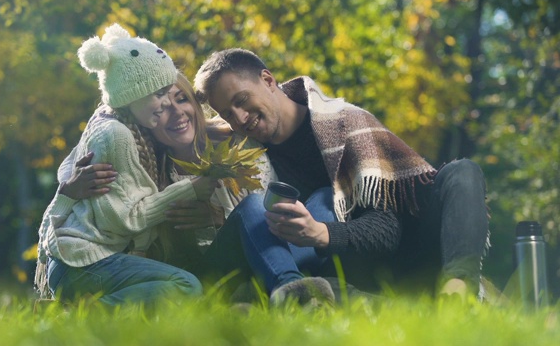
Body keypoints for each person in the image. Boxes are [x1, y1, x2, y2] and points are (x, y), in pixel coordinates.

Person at [191, 48, 490, 305]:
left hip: (396, 252)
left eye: (242, 100)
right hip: (328, 266)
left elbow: (387, 230)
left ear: (268, 80)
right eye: (228, 114)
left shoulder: (344, 126)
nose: (240, 118)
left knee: (462, 172)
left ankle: (458, 290)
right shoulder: (249, 153)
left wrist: (320, 233)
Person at [34, 23, 221, 306]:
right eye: (158, 95)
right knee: (185, 287)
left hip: (87, 257)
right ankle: (68, 315)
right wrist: (191, 188)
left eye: (171, 95)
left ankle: (82, 311)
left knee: (178, 293)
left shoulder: (118, 121)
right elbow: (126, 219)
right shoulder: (117, 134)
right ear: (132, 93)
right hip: (81, 262)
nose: (164, 105)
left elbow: (67, 170)